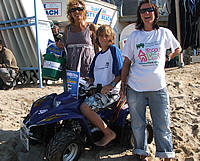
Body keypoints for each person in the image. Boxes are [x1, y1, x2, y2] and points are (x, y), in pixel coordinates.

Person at [120, 0, 182, 161]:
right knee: (138, 124)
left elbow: (178, 48)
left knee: (162, 123)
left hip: (158, 87)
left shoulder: (164, 33)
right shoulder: (134, 35)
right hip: (135, 87)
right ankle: (141, 151)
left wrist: (169, 56)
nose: (146, 14)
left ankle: (166, 154)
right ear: (140, 15)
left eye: (149, 10)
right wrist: (123, 85)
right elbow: (126, 62)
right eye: (143, 11)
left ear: (155, 12)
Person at [80, 25, 123, 147]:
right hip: (98, 91)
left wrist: (110, 85)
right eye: (101, 36)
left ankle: (108, 133)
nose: (103, 38)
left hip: (111, 93)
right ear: (97, 38)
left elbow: (120, 74)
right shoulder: (97, 56)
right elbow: (91, 77)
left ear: (111, 37)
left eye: (106, 36)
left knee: (84, 107)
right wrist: (88, 85)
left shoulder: (113, 50)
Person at [63, 0, 99, 77]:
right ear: (70, 13)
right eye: (73, 10)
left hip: (87, 66)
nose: (76, 12)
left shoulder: (91, 27)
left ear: (84, 11)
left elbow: (97, 49)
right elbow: (65, 48)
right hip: (71, 66)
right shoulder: (67, 29)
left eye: (79, 9)